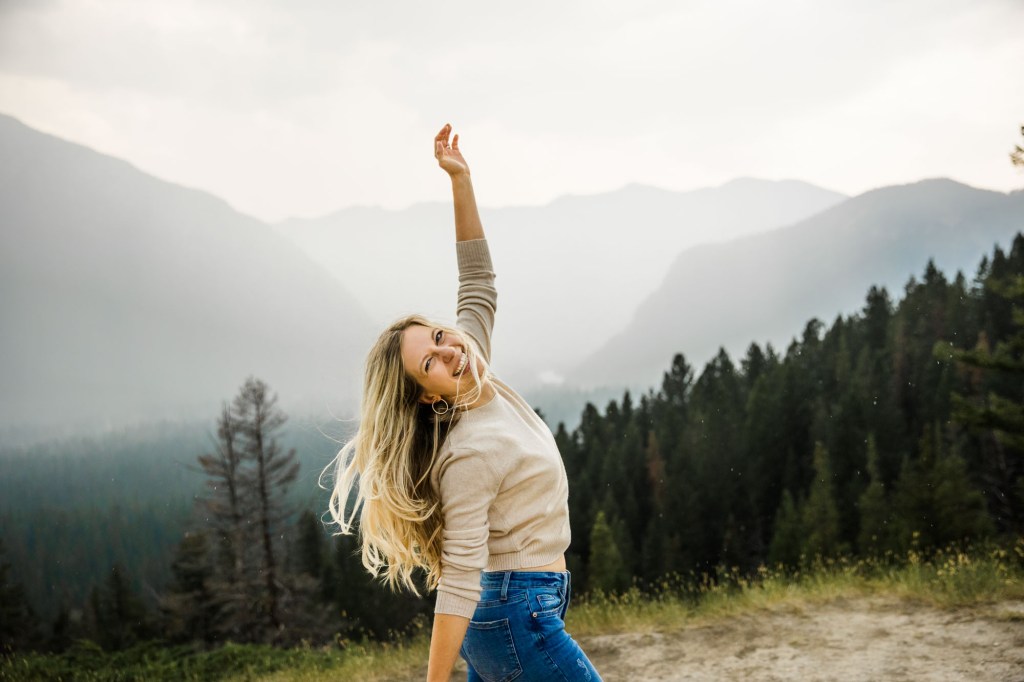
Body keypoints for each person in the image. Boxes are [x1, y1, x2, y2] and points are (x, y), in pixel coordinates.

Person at [325, 123, 602, 681]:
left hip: (523, 607)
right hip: (512, 613)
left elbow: (477, 278)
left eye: (437, 335)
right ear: (428, 396)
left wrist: (461, 179)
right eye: (429, 362)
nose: (447, 350)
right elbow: (459, 580)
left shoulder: (472, 358)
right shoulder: (470, 452)